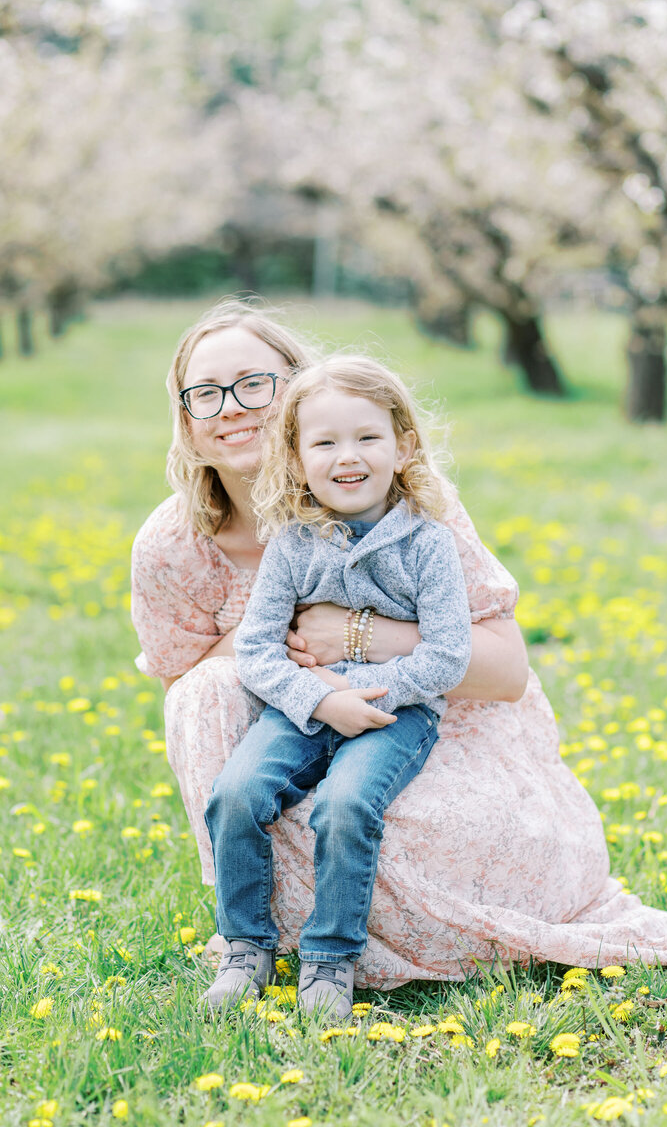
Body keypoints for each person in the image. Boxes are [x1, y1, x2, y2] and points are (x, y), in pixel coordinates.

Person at [130, 298, 667, 994]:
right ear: (185, 420)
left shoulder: (401, 503)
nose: (231, 408)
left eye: (254, 383)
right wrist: (288, 661)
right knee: (209, 699)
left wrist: (361, 636)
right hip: (291, 725)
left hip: (423, 721)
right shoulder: (170, 545)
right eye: (205, 394)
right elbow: (189, 706)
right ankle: (253, 932)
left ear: (302, 393)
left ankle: (340, 948)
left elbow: (506, 669)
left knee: (391, 822)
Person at [202, 357, 472, 1016]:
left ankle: (329, 958)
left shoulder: (429, 544)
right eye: (324, 442)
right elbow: (257, 651)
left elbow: (448, 656)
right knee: (237, 793)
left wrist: (372, 697)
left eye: (368, 438)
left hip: (395, 713)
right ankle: (246, 946)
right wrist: (320, 699)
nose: (347, 457)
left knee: (346, 806)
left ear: (403, 446)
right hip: (303, 703)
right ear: (295, 458)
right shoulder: (291, 545)